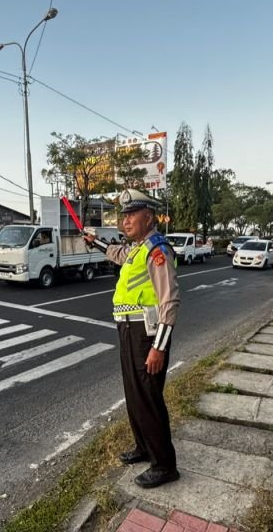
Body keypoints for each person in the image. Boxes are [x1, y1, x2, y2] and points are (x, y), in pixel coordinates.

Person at [84, 189, 180, 489]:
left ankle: (165, 465)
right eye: (123, 215)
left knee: (148, 399)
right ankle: (143, 447)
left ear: (148, 217)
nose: (125, 221)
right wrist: (95, 241)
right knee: (134, 395)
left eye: (131, 215)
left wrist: (159, 348)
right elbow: (117, 255)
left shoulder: (157, 250)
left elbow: (170, 302)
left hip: (146, 334)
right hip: (127, 330)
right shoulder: (138, 248)